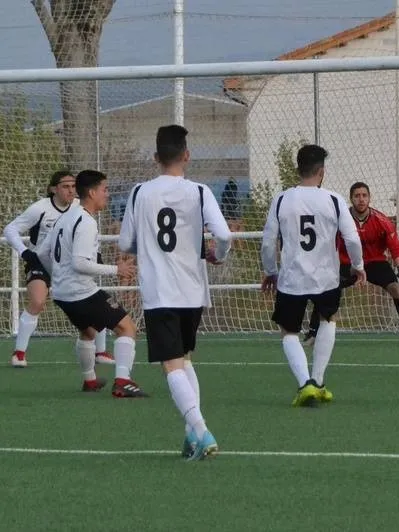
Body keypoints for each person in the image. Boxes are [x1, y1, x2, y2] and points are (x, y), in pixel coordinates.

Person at [118, 124, 232, 461]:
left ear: (155, 157)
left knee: (171, 365)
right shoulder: (199, 191)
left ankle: (201, 429)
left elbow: (125, 242)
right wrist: (216, 255)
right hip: (193, 291)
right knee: (184, 360)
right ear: (187, 155)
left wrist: (145, 243)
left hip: (160, 291)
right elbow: (224, 236)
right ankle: (190, 437)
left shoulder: (140, 192)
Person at [262, 145, 365, 406]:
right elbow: (352, 238)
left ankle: (304, 383)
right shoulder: (333, 199)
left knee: (288, 331)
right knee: (328, 320)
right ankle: (318, 382)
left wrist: (271, 272)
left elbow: (267, 242)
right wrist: (358, 265)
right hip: (326, 277)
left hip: (292, 278)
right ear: (322, 171)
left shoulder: (282, 199)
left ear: (298, 170)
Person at [36, 170, 145, 397]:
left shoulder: (64, 217)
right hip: (81, 292)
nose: (108, 195)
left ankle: (90, 381)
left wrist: (57, 278)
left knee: (88, 331)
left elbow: (42, 252)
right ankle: (123, 381)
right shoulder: (86, 221)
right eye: (105, 190)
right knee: (127, 328)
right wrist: (118, 269)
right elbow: (80, 264)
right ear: (92, 192)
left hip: (62, 293)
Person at [3, 171, 112, 367]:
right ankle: (19, 353)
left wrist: (95, 256)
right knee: (37, 301)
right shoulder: (40, 208)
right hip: (41, 263)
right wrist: (25, 252)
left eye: (73, 186)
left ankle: (101, 352)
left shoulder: (80, 208)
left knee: (96, 302)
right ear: (53, 189)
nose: (71, 190)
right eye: (65, 186)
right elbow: (10, 229)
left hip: (69, 267)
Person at [303, 181, 399, 345]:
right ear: (351, 199)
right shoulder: (339, 220)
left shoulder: (382, 220)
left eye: (364, 195)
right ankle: (312, 334)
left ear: (369, 198)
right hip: (348, 264)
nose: (361, 199)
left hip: (375, 263)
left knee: (396, 288)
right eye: (357, 196)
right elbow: (327, 244)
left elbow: (396, 248)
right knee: (327, 290)